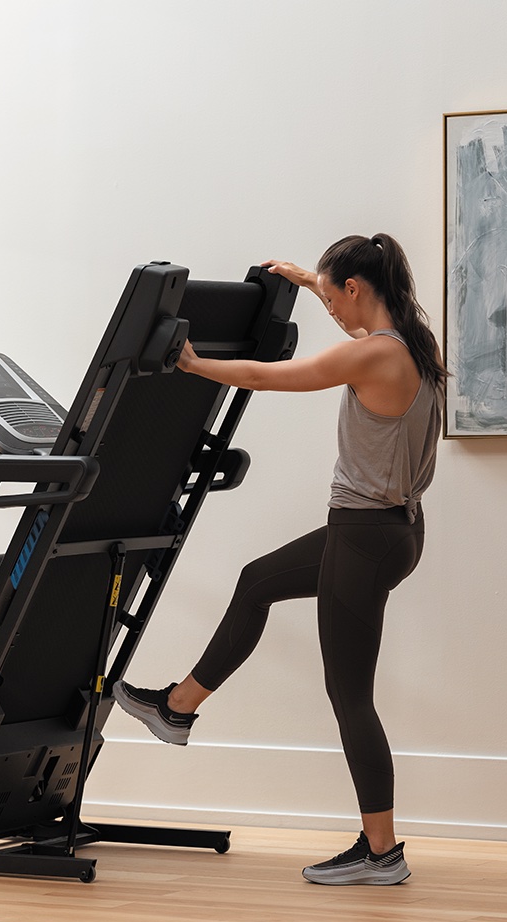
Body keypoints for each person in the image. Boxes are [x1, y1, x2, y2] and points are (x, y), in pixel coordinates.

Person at [112, 233, 447, 886]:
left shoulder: (374, 356)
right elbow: (347, 302)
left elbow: (269, 378)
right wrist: (302, 278)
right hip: (395, 531)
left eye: (334, 300)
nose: (331, 313)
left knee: (350, 697)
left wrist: (192, 361)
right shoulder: (416, 342)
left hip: (363, 537)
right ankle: (178, 707)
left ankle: (382, 853)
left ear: (357, 289)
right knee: (258, 580)